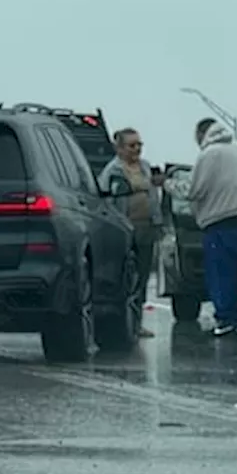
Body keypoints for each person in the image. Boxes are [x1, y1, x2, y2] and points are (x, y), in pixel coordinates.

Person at [188, 118, 237, 336]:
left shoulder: (209, 154)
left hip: (221, 220)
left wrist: (168, 183)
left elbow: (195, 190)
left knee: (222, 272)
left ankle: (227, 317)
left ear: (201, 135)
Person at [97, 127, 164, 337]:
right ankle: (122, 323)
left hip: (147, 229)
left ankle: (137, 323)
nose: (137, 149)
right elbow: (105, 201)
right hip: (125, 232)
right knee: (126, 278)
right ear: (119, 148)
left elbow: (153, 194)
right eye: (132, 145)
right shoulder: (112, 172)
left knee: (142, 278)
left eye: (139, 145)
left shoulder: (145, 167)